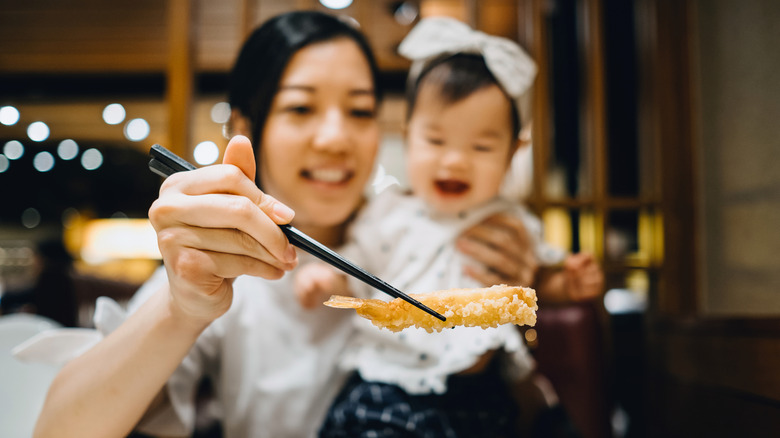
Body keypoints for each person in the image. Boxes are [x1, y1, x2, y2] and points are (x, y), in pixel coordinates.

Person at [33, 11, 541, 438]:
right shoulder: (223, 266)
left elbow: (528, 404)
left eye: (361, 111)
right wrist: (182, 307)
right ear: (244, 128)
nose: (336, 137)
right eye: (301, 107)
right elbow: (60, 428)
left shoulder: (438, 232)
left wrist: (527, 300)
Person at [292, 17, 602, 437]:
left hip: (480, 387)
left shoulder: (508, 221)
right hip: (390, 381)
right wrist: (324, 279)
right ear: (408, 136)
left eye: (481, 146)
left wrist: (568, 285)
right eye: (436, 141)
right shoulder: (389, 213)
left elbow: (537, 281)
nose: (454, 160)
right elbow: (356, 268)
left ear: (512, 153)